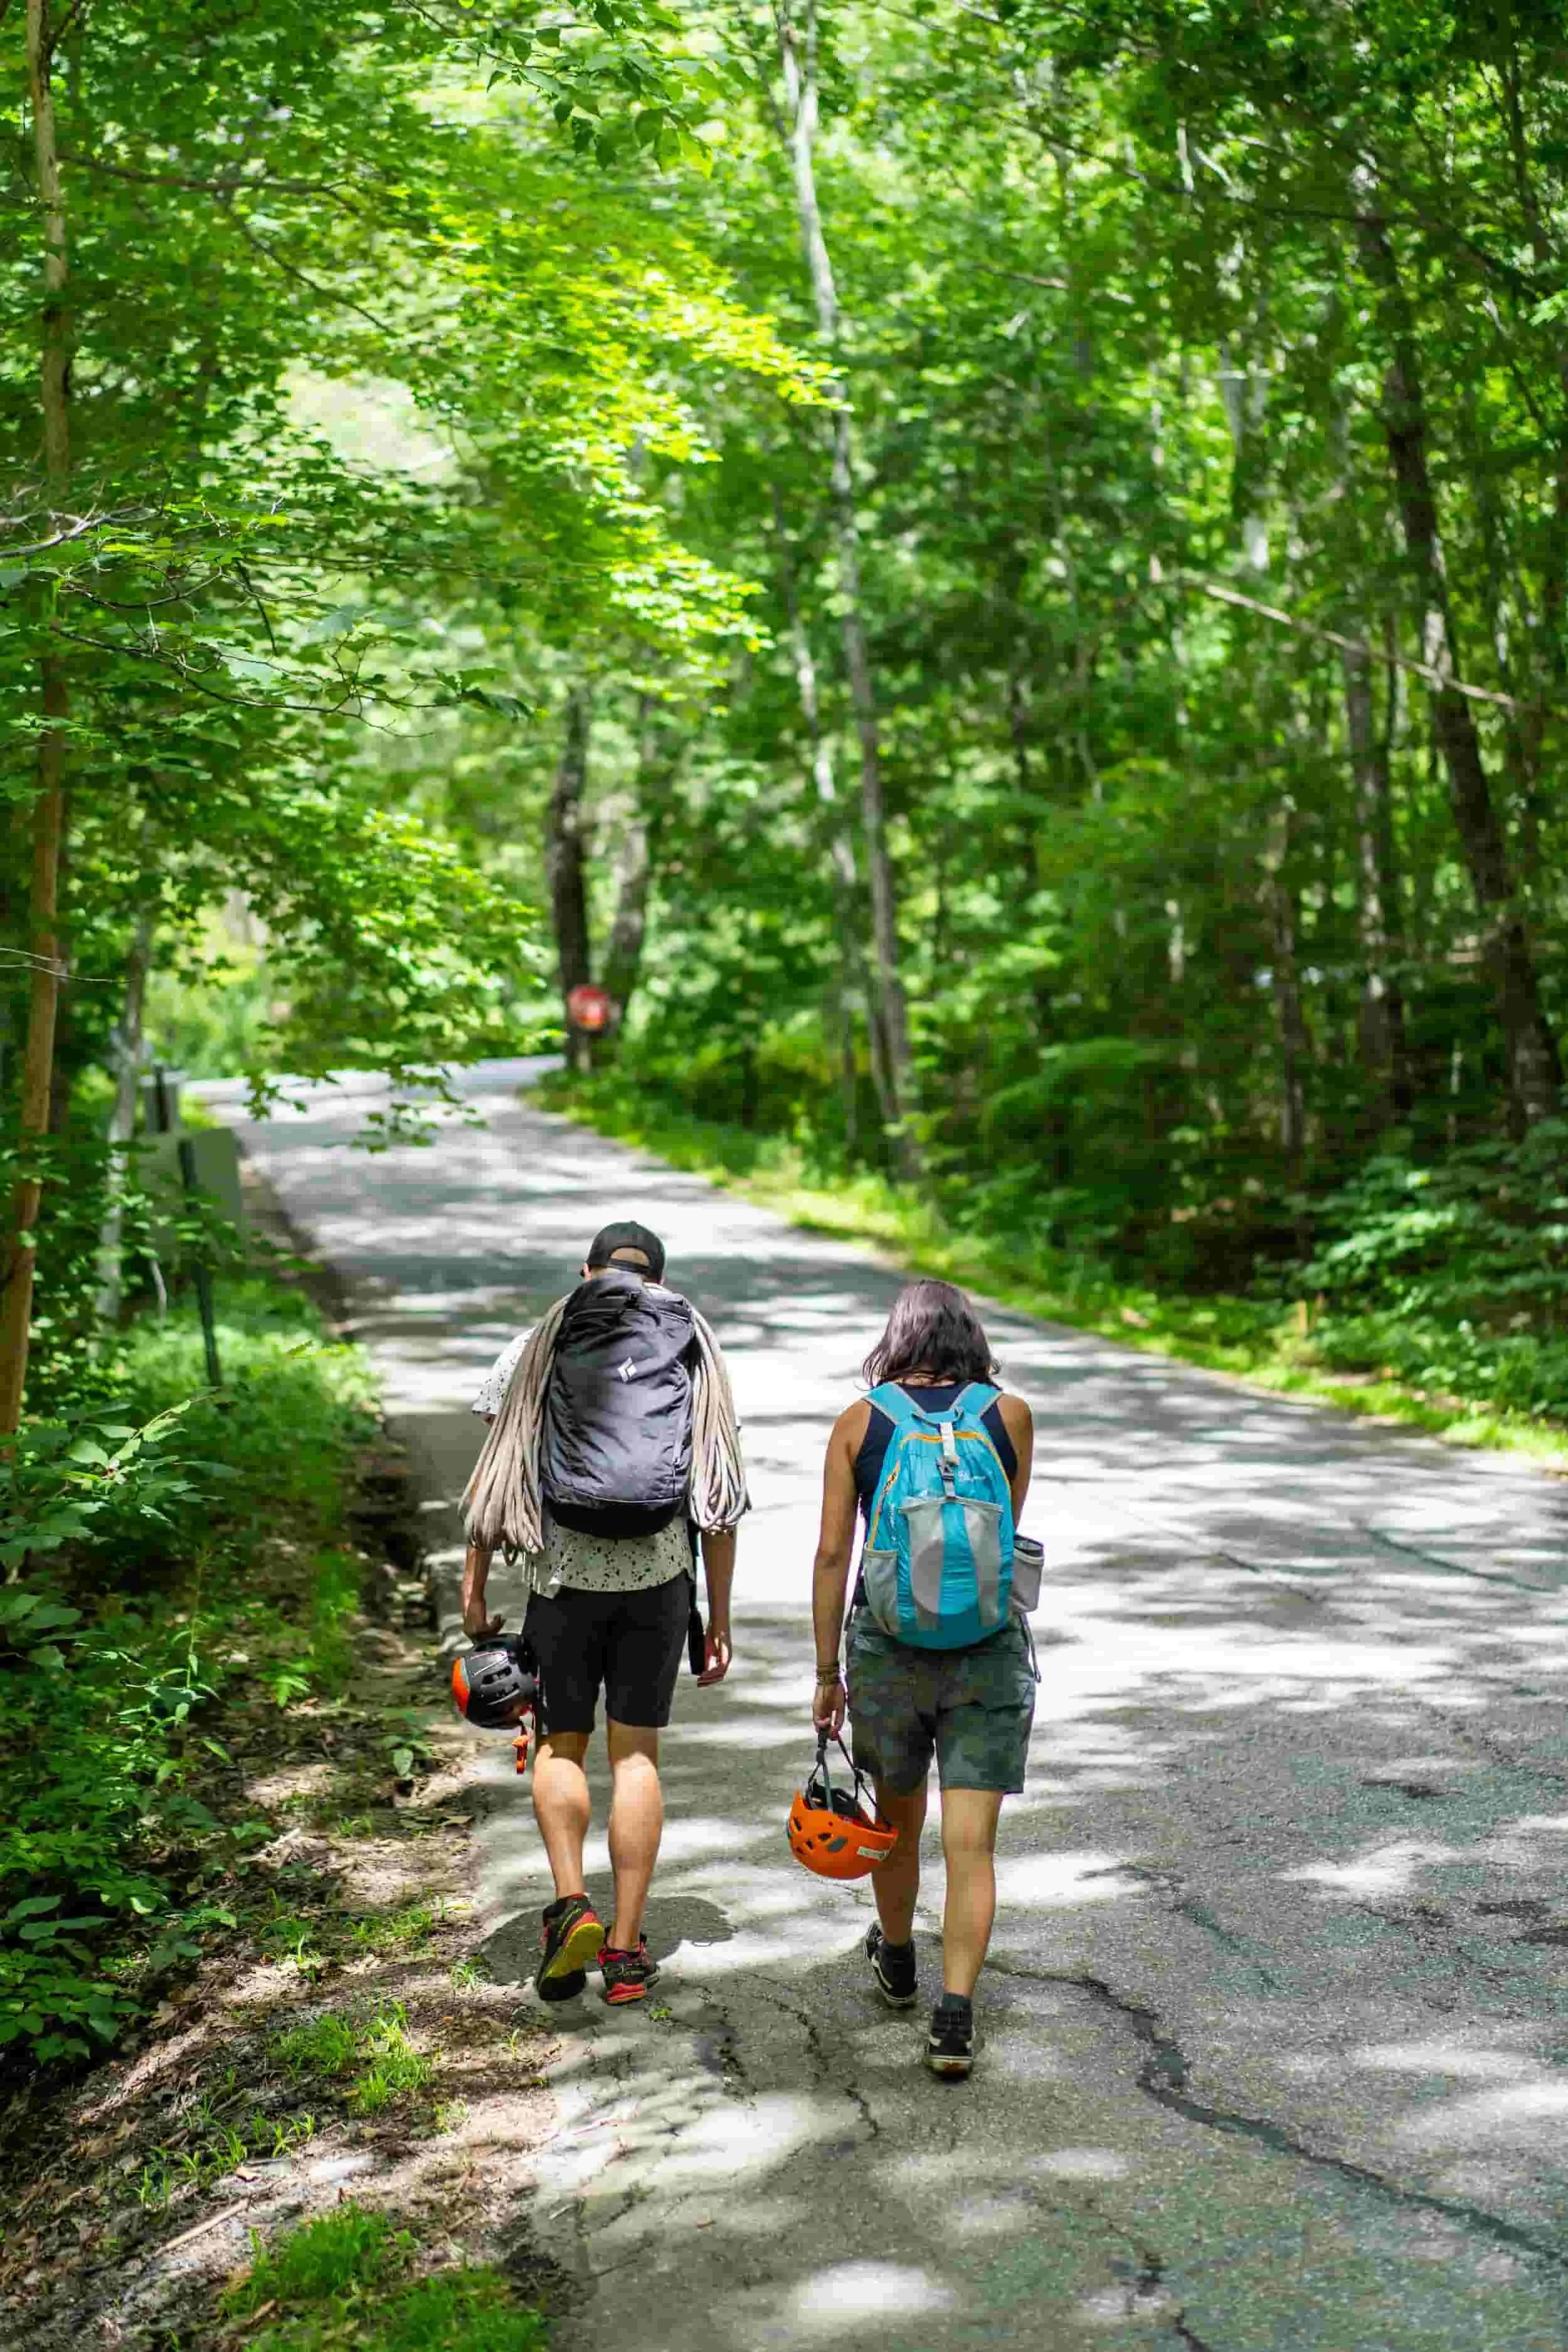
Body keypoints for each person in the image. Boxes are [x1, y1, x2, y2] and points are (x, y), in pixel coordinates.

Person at [461, 1220, 746, 2008]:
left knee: (560, 1741)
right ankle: (624, 1950)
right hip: (660, 1581)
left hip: (562, 1582)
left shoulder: (540, 1341)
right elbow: (718, 1498)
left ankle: (570, 1904)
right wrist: (717, 1617)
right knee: (636, 1758)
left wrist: (475, 1585)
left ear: (586, 1271)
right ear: (658, 1276)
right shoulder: (690, 1342)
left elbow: (502, 1463)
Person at [810, 1278, 1034, 2079]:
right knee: (970, 1845)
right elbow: (1004, 1533)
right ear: (971, 1338)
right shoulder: (1007, 1416)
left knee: (896, 1825)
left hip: (887, 1652)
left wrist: (826, 1674)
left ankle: (898, 1957)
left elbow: (835, 1554)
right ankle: (954, 2017)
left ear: (896, 1339)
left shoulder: (859, 1423)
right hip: (985, 1647)